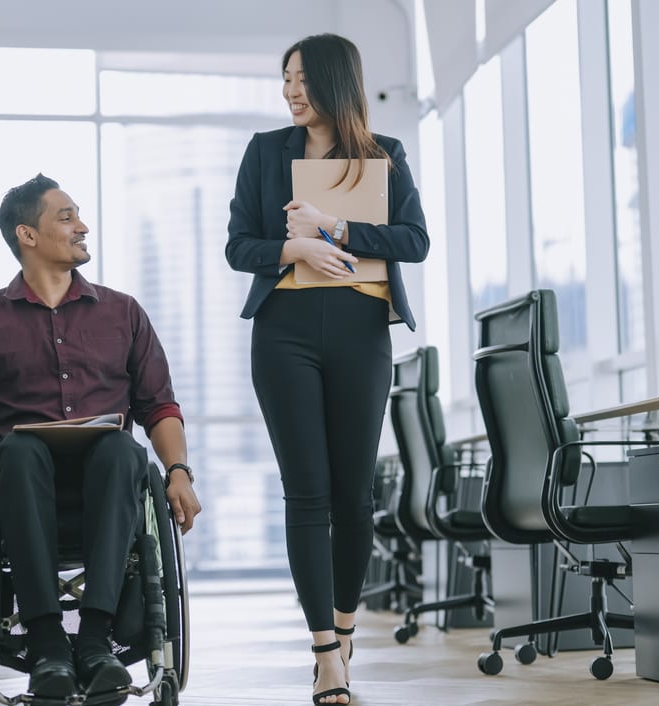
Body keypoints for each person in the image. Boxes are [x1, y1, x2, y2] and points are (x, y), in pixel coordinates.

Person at [0, 174, 201, 700]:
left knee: (121, 446)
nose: (83, 227)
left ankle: (95, 641)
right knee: (21, 450)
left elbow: (159, 405)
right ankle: (48, 643)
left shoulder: (123, 313)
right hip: (21, 490)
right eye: (67, 217)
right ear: (27, 235)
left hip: (109, 487)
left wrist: (179, 472)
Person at [225, 33, 429, 705]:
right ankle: (323, 652)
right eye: (284, 79)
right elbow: (238, 247)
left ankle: (344, 629)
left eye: (302, 80)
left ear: (336, 83)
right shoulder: (264, 153)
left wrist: (334, 228)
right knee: (306, 492)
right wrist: (295, 247)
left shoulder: (383, 156)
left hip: (360, 331)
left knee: (353, 496)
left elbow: (413, 241)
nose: (290, 91)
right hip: (283, 332)